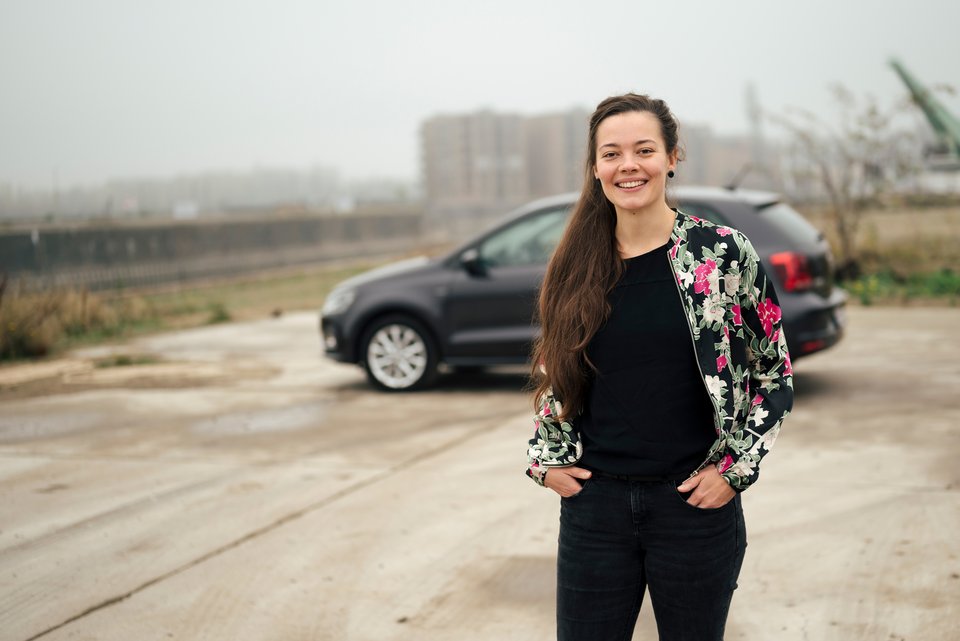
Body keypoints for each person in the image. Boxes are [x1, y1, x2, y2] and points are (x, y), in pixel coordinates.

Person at [525, 93, 794, 641]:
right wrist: (545, 460)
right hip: (595, 510)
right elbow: (557, 374)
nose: (629, 165)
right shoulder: (574, 265)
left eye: (644, 150)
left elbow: (774, 374)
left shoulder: (721, 255)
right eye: (612, 153)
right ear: (595, 167)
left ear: (673, 157)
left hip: (694, 507)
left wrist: (734, 470)